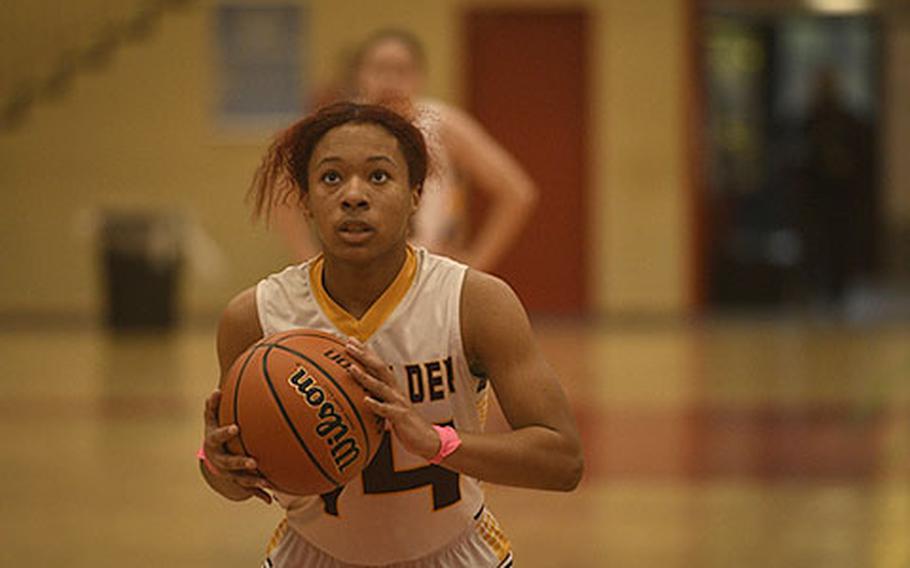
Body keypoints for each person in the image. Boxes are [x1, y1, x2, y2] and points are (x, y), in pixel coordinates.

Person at [200, 102, 583, 567]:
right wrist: (220, 465)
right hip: (311, 555)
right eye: (331, 178)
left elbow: (562, 461)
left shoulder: (473, 302)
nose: (354, 195)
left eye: (378, 177)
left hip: (454, 553)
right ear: (305, 199)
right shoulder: (254, 316)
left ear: (416, 194)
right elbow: (232, 484)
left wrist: (435, 441)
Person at [273, 29, 538, 272]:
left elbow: (517, 192)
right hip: (353, 275)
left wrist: (476, 264)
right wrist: (307, 261)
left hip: (427, 274)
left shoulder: (442, 125)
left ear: (419, 77)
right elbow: (283, 195)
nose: (390, 80)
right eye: (379, 68)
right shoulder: (336, 128)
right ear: (360, 75)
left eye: (401, 70)